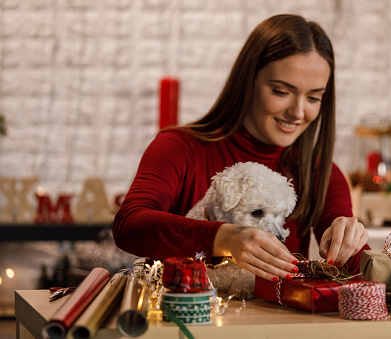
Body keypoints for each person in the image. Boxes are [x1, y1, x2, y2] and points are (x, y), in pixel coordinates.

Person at [113, 14, 369, 283]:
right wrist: (224, 237)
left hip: (277, 323)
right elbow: (129, 225)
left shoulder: (319, 171)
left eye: (314, 97)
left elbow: (360, 276)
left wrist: (349, 239)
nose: (298, 112)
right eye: (281, 92)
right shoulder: (178, 147)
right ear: (247, 82)